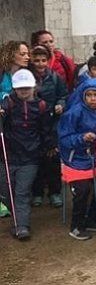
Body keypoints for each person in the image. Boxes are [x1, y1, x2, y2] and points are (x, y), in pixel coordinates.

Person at [58, 79, 96, 240]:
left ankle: (92, 218)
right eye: (88, 95)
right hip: (75, 160)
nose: (92, 98)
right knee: (83, 190)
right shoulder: (74, 112)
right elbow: (64, 139)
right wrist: (82, 138)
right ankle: (76, 226)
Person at [0, 69, 52, 240]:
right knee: (6, 191)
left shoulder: (41, 106)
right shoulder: (7, 105)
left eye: (27, 87)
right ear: (14, 88)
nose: (23, 91)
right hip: (7, 156)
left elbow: (45, 130)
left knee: (22, 191)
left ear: (33, 87)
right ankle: (18, 218)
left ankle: (21, 226)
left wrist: (48, 147)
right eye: (20, 88)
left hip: (30, 157)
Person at [29, 46, 67, 208]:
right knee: (36, 159)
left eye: (43, 60)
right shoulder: (27, 77)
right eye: (36, 60)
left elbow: (63, 95)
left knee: (52, 159)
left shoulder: (55, 77)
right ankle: (37, 193)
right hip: (33, 123)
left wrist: (60, 104)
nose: (40, 63)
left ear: (48, 60)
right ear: (32, 60)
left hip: (52, 122)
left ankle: (55, 192)